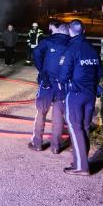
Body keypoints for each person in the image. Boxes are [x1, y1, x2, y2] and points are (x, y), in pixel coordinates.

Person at [59, 19, 103, 176]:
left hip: (75, 94)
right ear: (83, 31)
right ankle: (81, 160)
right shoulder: (92, 49)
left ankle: (81, 167)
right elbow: (99, 73)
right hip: (90, 94)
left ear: (71, 31)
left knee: (74, 127)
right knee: (83, 128)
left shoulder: (71, 49)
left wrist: (62, 85)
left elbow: (63, 75)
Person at [28, 21, 70, 153]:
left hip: (47, 83)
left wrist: (42, 71)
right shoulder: (72, 44)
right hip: (63, 84)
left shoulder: (49, 41)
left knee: (41, 112)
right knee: (59, 115)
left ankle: (37, 143)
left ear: (57, 29)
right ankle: (56, 147)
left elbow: (36, 53)